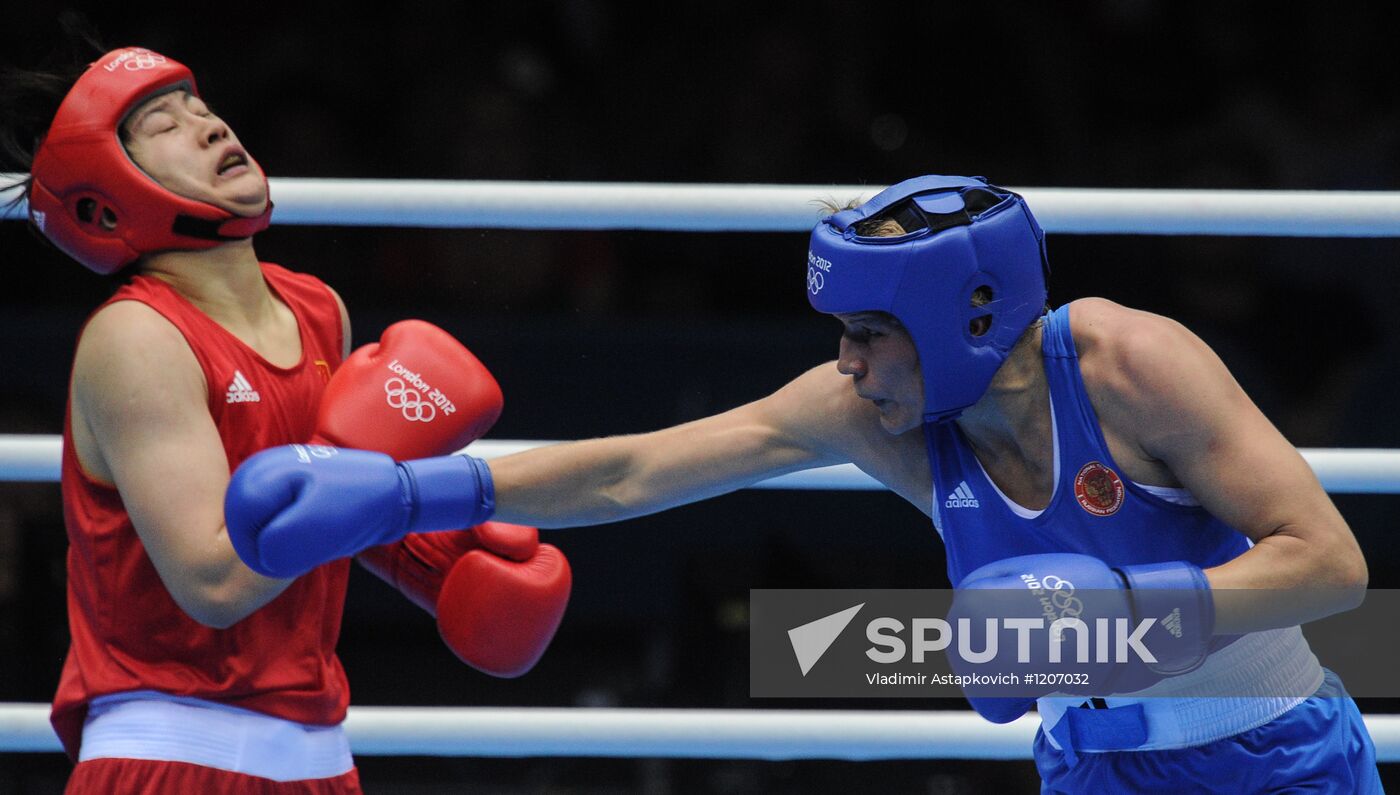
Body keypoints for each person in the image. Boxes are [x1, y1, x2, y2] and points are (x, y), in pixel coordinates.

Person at [224, 175, 1382, 792]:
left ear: (965, 319)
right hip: (1088, 767)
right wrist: (414, 497)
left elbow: (1329, 564)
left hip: (1269, 755)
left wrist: (1127, 619)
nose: (843, 363)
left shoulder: (1132, 364)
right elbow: (639, 469)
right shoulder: (865, 408)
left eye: (869, 333)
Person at [5, 44, 569, 794]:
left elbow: (325, 510)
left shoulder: (315, 308)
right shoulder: (137, 339)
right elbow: (213, 576)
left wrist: (432, 561)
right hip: (172, 748)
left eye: (200, 106)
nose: (207, 126)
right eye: (163, 125)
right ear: (105, 202)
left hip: (318, 755)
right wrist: (355, 467)